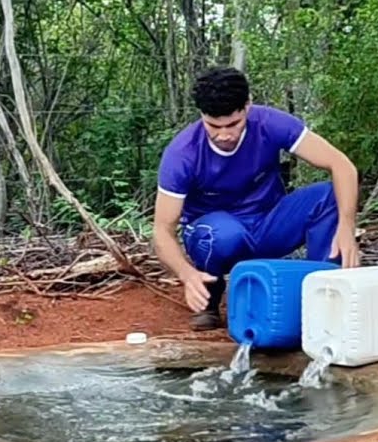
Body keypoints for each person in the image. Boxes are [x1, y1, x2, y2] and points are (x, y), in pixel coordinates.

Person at [152, 66, 360, 331]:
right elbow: (162, 230)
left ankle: (326, 295)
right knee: (223, 233)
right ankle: (209, 299)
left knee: (329, 196)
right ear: (201, 115)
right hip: (217, 236)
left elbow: (342, 165)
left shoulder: (270, 124)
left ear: (247, 106)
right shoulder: (183, 153)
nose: (224, 135)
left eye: (233, 124)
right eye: (213, 126)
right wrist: (186, 273)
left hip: (268, 224)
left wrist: (346, 225)